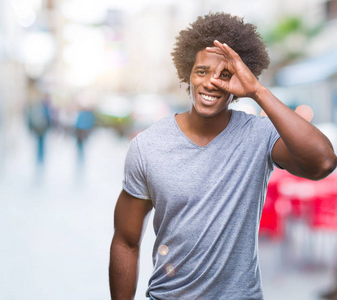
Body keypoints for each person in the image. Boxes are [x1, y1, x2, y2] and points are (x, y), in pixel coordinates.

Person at [109, 12, 337, 300]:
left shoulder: (259, 136)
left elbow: (323, 162)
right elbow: (125, 242)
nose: (211, 82)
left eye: (225, 75)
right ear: (187, 74)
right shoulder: (148, 146)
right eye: (202, 71)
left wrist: (257, 90)